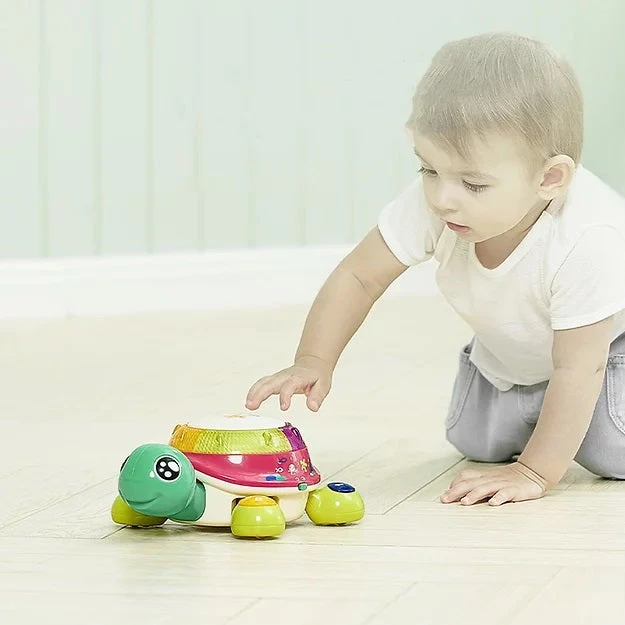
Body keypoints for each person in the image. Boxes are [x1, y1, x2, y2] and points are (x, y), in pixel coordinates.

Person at [246, 32, 625, 506]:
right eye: (428, 170)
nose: (443, 198)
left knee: (613, 454)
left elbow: (578, 366)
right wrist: (313, 360)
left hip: (599, 360)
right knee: (475, 443)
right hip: (508, 359)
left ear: (549, 178)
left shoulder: (588, 237)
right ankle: (535, 415)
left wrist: (534, 471)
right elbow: (359, 276)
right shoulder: (443, 200)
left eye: (473, 184)